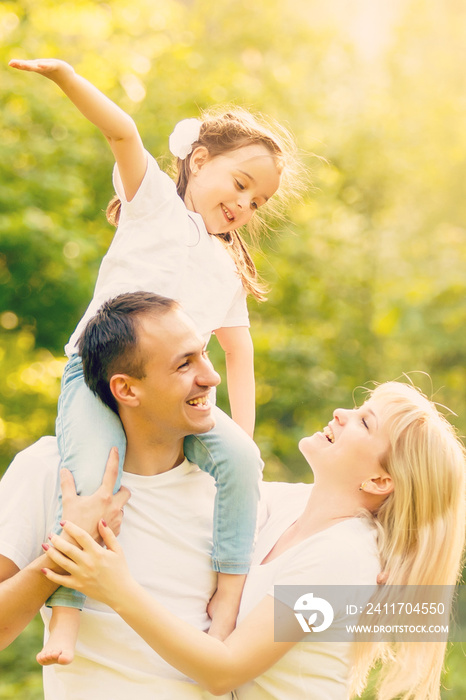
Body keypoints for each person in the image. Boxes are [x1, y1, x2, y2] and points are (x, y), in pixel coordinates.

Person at [8, 56, 298, 662]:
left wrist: (239, 434)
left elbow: (237, 352)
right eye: (240, 183)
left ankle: (228, 591)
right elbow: (122, 133)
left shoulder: (227, 268)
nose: (246, 204)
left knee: (242, 464)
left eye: (258, 201)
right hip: (96, 378)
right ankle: (64, 616)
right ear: (198, 159)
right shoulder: (153, 206)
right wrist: (65, 77)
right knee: (89, 482)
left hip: (182, 396)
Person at [42, 381, 465, 700]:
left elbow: (226, 670)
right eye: (358, 408)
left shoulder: (342, 560)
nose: (341, 412)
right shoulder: (286, 504)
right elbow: (227, 460)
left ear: (379, 480)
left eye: (364, 422)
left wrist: (117, 589)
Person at [0, 292, 240, 698]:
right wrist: (68, 545)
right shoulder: (48, 470)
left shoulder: (232, 489)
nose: (211, 376)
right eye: (185, 364)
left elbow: (311, 601)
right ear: (126, 390)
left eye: (204, 353)